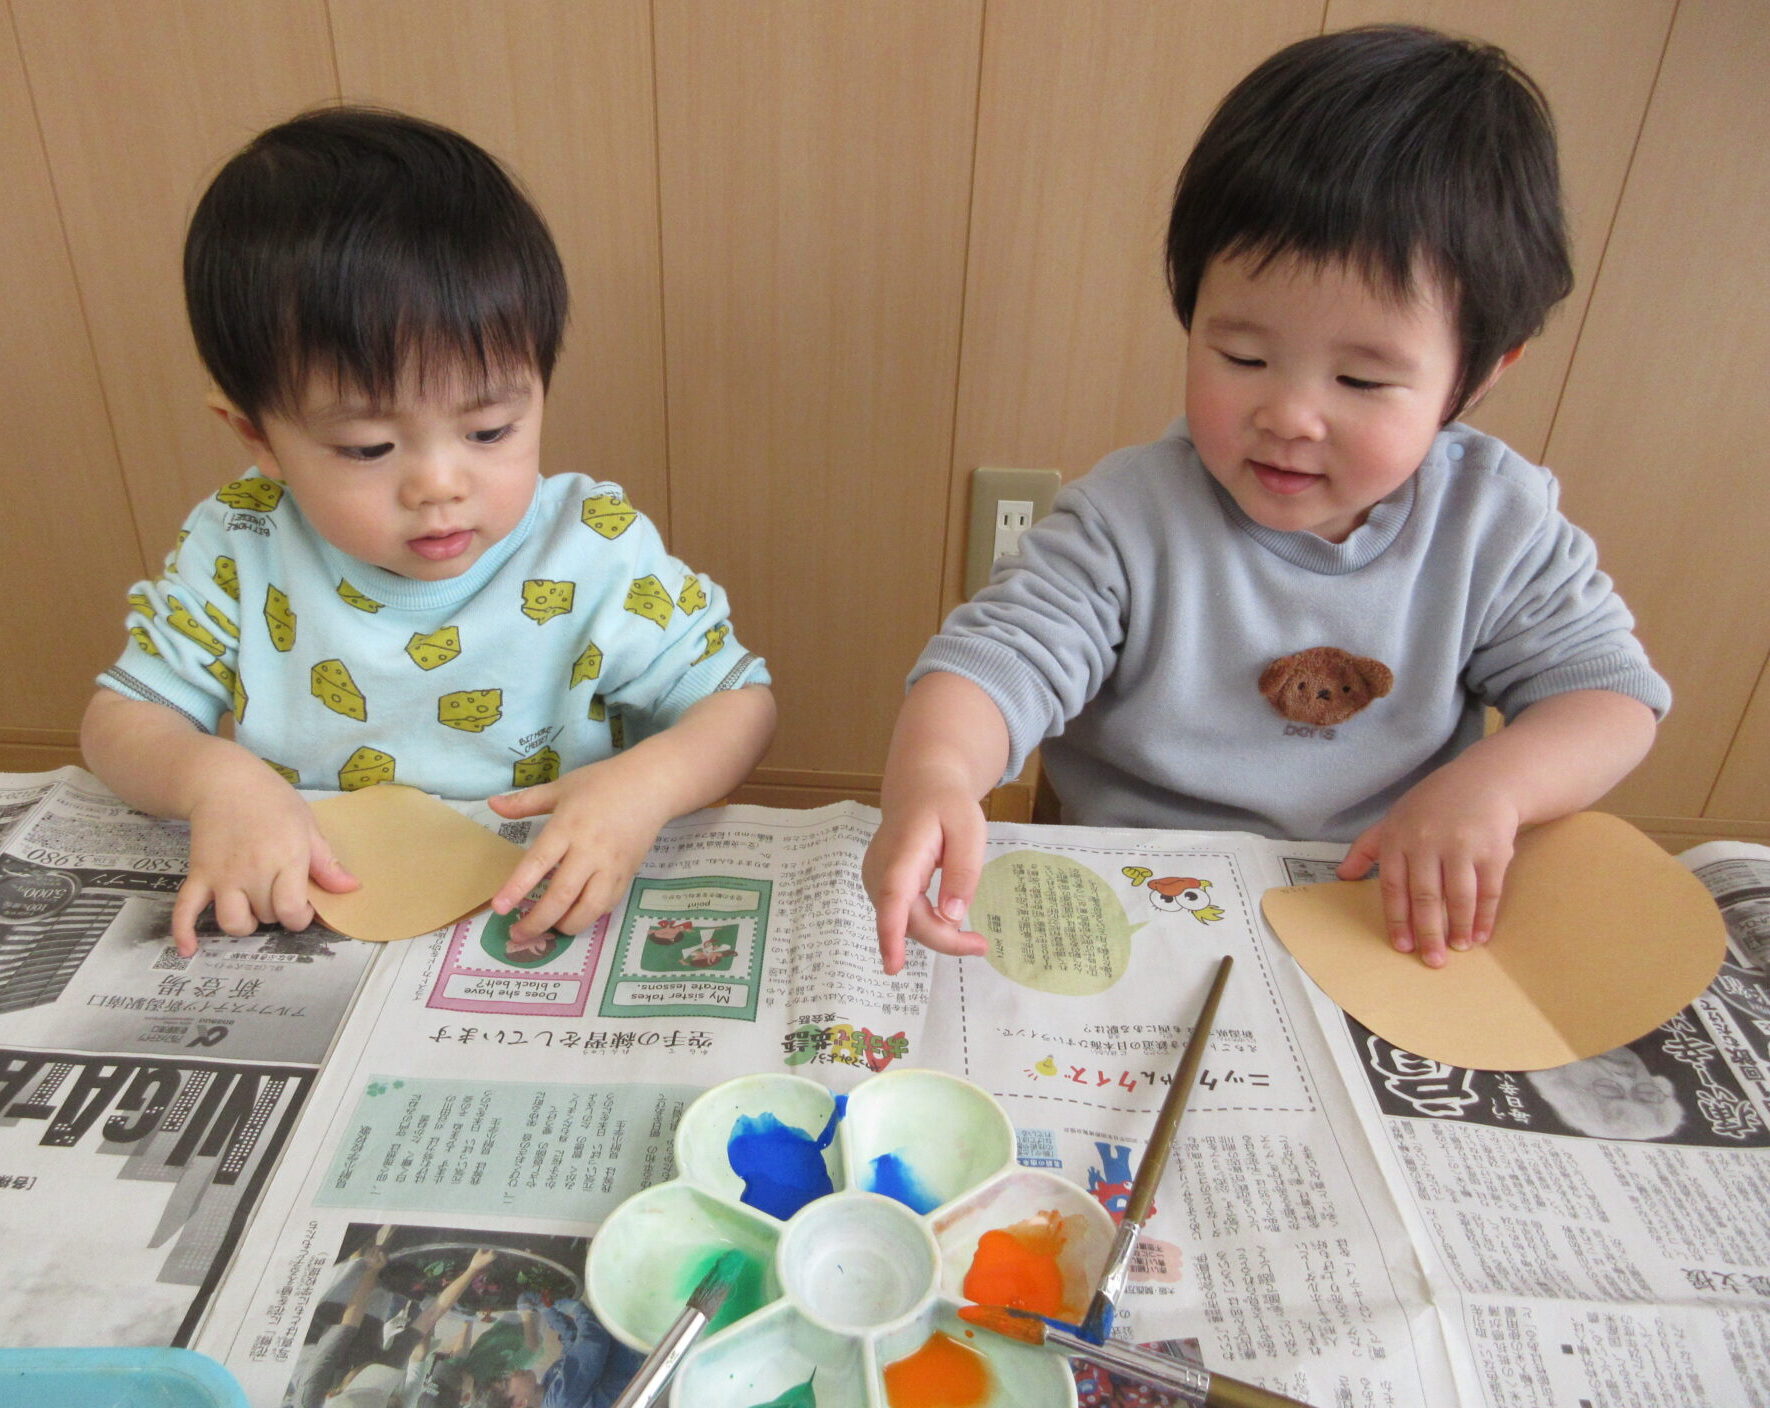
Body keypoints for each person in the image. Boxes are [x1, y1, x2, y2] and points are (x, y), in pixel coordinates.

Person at [864, 25, 1669, 974]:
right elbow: (998, 662)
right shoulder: (1130, 519)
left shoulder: (1495, 523)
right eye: (1242, 355)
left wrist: (1494, 788)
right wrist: (934, 775)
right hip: (1142, 902)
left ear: (1480, 374)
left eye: (1362, 380)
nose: (1288, 416)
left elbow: (1609, 698)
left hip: (1377, 910)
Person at [81, 107, 774, 956]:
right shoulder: (242, 546)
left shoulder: (592, 547)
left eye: (490, 431)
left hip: (532, 908)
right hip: (330, 911)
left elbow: (738, 703)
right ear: (255, 434)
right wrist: (212, 781)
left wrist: (644, 786)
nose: (440, 486)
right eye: (369, 448)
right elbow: (122, 719)